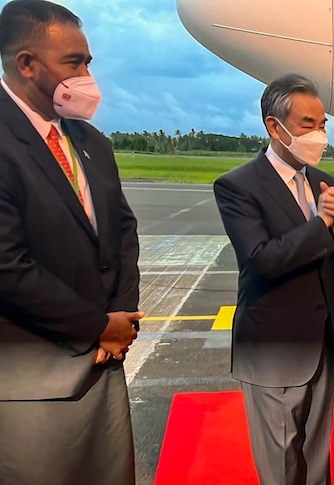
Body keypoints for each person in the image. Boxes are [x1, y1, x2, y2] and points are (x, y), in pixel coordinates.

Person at [0, 1, 143, 483]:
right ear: (26, 64)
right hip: (30, 377)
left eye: (88, 63)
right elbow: (6, 267)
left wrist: (121, 320)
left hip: (105, 365)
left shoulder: (90, 141)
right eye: (74, 63)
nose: (86, 75)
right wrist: (96, 325)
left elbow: (123, 232)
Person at [213, 73, 334, 485]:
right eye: (307, 125)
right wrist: (320, 224)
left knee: (317, 462)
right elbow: (262, 261)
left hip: (324, 347)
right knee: (282, 468)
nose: (319, 135)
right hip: (274, 349)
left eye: (322, 125)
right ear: (274, 127)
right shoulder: (238, 186)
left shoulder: (324, 181)